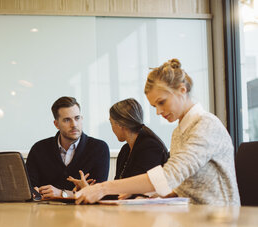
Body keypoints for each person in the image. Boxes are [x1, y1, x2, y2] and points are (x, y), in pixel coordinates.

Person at [76, 59, 240, 205]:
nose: (158, 112)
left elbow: (169, 176)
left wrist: (103, 188)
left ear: (182, 90)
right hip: (191, 217)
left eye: (162, 102)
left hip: (219, 219)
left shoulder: (207, 126)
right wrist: (152, 197)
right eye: (155, 106)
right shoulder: (179, 132)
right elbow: (182, 187)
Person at [26, 96, 110, 199]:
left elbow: (99, 193)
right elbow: (29, 187)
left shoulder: (99, 148)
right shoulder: (39, 149)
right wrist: (35, 192)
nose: (74, 124)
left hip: (85, 212)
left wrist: (62, 194)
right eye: (67, 120)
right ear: (56, 124)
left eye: (77, 118)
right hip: (46, 211)